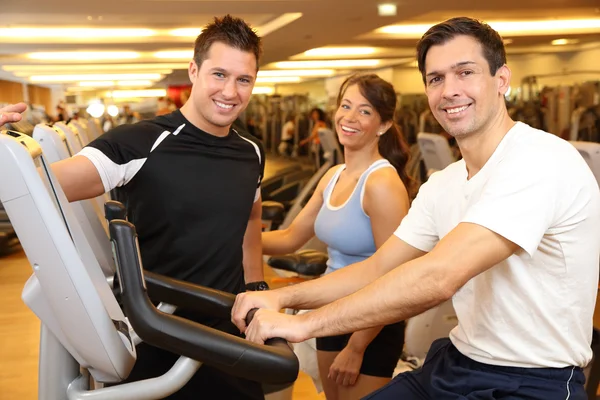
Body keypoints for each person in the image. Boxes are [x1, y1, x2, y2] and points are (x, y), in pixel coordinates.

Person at [232, 16, 600, 400]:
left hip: (531, 381)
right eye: (436, 78)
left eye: (465, 72)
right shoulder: (444, 183)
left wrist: (304, 325)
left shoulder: (540, 160)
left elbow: (439, 277)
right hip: (457, 361)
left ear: (502, 80)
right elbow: (374, 269)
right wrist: (280, 298)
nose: (449, 90)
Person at [50, 15, 267, 399]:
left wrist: (257, 291)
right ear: (194, 70)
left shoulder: (251, 152)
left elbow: (250, 222)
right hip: (158, 331)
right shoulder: (137, 143)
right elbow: (39, 188)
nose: (230, 91)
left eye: (243, 79)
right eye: (219, 74)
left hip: (226, 333)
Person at [265, 73, 412, 399]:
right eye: (346, 106)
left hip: (370, 323)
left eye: (364, 111)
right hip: (331, 314)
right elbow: (290, 237)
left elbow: (393, 276)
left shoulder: (382, 184)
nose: (350, 117)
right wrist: (231, 235)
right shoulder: (334, 175)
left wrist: (357, 346)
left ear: (384, 124)